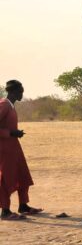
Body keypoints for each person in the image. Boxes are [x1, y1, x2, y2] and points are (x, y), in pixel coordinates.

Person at [0, 80, 41, 221]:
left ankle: (23, 206)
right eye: (20, 92)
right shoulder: (4, 105)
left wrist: (15, 133)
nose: (22, 94)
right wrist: (11, 133)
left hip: (14, 146)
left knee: (22, 174)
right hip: (4, 148)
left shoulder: (10, 106)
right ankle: (5, 211)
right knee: (6, 177)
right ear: (12, 92)